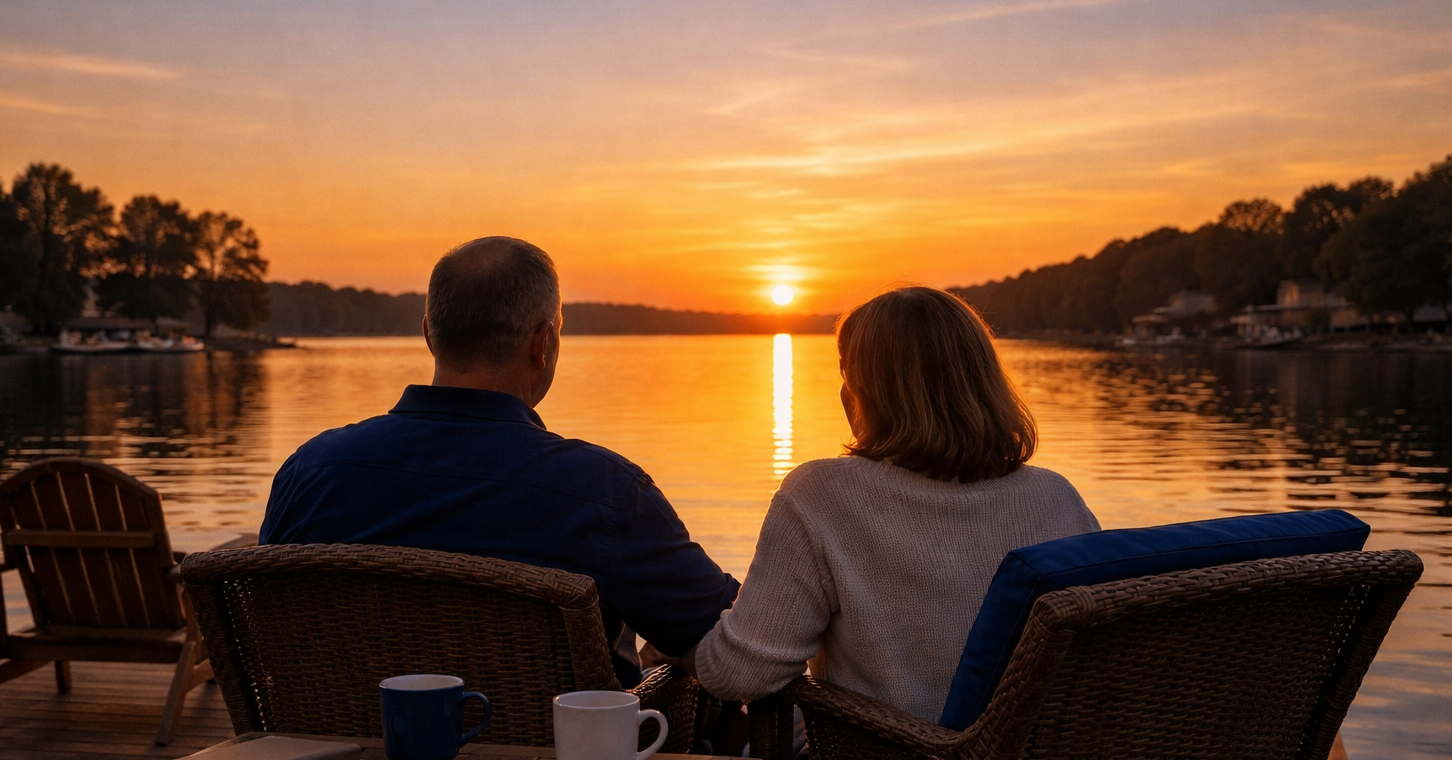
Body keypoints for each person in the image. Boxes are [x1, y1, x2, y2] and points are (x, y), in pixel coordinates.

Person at [260, 236, 739, 687]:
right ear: (542, 343)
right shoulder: (605, 494)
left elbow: (271, 631)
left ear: (429, 335)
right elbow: (732, 646)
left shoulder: (310, 474)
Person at [659, 285, 1100, 722]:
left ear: (866, 392)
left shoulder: (822, 494)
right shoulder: (1056, 497)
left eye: (846, 375)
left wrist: (678, 649)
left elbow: (741, 676)